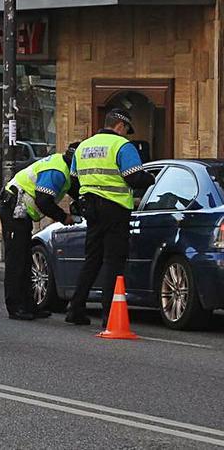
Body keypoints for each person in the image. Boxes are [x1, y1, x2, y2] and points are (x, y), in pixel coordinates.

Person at [65, 109, 155, 327]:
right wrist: (151, 178)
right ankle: (110, 314)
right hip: (115, 210)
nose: (127, 134)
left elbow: (74, 181)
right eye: (126, 130)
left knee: (92, 259)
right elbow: (133, 177)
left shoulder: (83, 147)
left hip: (91, 210)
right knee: (114, 262)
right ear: (120, 126)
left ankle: (75, 309)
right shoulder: (123, 146)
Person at [0, 142, 79, 320]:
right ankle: (15, 307)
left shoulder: (62, 166)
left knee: (25, 259)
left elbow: (76, 191)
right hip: (14, 209)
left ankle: (29, 305)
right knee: (16, 260)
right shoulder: (57, 171)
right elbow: (43, 201)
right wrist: (63, 217)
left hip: (20, 211)